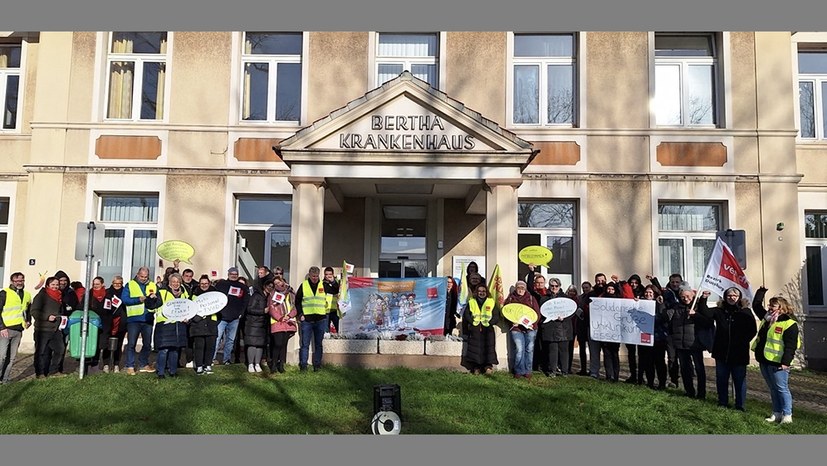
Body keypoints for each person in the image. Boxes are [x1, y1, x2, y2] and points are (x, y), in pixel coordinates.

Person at [696, 287, 758, 411]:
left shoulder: (744, 312)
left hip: (739, 353)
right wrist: (703, 298)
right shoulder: (719, 311)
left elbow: (752, 329)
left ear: (739, 298)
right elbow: (705, 312)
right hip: (721, 352)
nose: (732, 298)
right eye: (729, 295)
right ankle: (722, 402)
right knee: (722, 379)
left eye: (735, 296)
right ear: (725, 297)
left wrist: (742, 341)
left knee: (739, 381)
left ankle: (740, 405)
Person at [752, 287, 801, 424]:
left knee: (782, 389)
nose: (769, 308)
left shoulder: (789, 323)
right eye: (769, 305)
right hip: (764, 359)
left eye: (773, 306)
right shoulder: (767, 319)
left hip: (779, 363)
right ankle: (776, 413)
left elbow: (791, 346)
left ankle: (787, 415)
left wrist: (786, 362)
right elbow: (756, 305)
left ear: (782, 308)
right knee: (773, 389)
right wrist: (761, 292)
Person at [665, 286, 710, 399]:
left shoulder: (699, 306)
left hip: (695, 344)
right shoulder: (676, 307)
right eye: (683, 297)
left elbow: (708, 322)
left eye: (688, 296)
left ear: (693, 296)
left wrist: (696, 315)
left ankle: (701, 394)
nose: (686, 299)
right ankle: (689, 391)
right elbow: (666, 318)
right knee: (685, 370)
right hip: (681, 344)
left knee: (699, 369)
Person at [122, 266, 162, 375]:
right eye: (142, 276)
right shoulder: (130, 284)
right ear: (137, 274)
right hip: (134, 319)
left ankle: (143, 364)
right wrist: (138, 300)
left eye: (146, 277)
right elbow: (125, 300)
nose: (144, 278)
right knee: (131, 344)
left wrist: (154, 299)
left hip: (148, 318)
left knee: (147, 344)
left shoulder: (153, 285)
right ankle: (130, 365)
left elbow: (160, 301)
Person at [154, 273, 189, 378]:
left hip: (179, 325)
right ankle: (160, 372)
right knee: (164, 350)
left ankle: (173, 371)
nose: (175, 284)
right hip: (165, 325)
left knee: (175, 350)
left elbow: (188, 307)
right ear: (169, 282)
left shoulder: (184, 294)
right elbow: (153, 305)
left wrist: (187, 318)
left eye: (178, 282)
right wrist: (150, 299)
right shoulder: (162, 292)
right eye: (173, 281)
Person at [30, 277, 67, 378]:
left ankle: (54, 371)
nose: (55, 287)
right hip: (43, 329)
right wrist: (47, 317)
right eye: (53, 285)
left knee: (60, 349)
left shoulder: (59, 296)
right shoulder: (41, 296)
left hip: (56, 329)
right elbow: (34, 311)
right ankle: (40, 373)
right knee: (41, 352)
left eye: (57, 285)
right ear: (47, 285)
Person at [503, 280, 540, 379]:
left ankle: (527, 371)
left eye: (523, 288)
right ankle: (519, 370)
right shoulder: (511, 299)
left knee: (529, 349)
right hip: (516, 328)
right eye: (519, 288)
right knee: (519, 349)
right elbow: (505, 312)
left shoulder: (531, 298)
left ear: (526, 289)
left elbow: (537, 314)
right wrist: (511, 322)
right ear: (516, 288)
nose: (521, 290)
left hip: (530, 329)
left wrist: (533, 324)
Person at [0, 272, 32, 384]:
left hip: (19, 330)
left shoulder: (27, 295)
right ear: (12, 281)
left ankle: (5, 379)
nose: (20, 283)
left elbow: (28, 310)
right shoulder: (4, 293)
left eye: (22, 280)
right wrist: (1, 327)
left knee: (12, 358)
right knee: (2, 356)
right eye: (17, 281)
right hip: (5, 329)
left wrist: (28, 321)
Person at [213, 266, 249, 365]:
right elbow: (215, 297)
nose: (233, 276)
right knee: (217, 338)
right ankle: (212, 358)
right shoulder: (221, 284)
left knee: (230, 340)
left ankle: (227, 359)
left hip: (235, 318)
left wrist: (241, 313)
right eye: (232, 274)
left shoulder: (243, 287)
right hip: (222, 317)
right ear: (228, 274)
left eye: (235, 274)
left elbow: (245, 301)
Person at [295, 266, 328, 372]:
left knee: (318, 344)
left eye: (317, 276)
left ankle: (317, 365)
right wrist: (300, 314)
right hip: (307, 320)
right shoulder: (304, 285)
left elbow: (336, 289)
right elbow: (297, 301)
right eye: (313, 276)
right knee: (305, 344)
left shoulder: (323, 284)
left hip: (320, 319)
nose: (315, 278)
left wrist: (333, 281)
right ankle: (303, 365)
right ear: (309, 275)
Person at [461, 284, 499, 375]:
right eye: (480, 291)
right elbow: (466, 314)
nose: (481, 293)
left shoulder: (491, 301)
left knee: (488, 348)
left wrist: (491, 323)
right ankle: (476, 367)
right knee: (475, 348)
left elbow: (496, 315)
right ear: (476, 292)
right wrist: (471, 322)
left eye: (483, 291)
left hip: (488, 329)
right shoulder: (472, 302)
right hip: (475, 328)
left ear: (486, 292)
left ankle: (488, 367)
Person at [542, 281, 576, 377]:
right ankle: (552, 370)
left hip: (564, 328)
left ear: (560, 286)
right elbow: (542, 312)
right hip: (550, 328)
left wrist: (564, 317)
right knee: (552, 350)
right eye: (552, 286)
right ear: (549, 286)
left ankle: (564, 371)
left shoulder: (566, 298)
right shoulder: (544, 298)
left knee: (564, 351)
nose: (554, 287)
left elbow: (572, 312)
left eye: (556, 286)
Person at [268, 275, 297, 373]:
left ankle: (281, 365)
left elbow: (294, 306)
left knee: (284, 344)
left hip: (288, 321)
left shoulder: (291, 293)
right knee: (277, 343)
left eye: (279, 282)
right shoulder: (272, 295)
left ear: (283, 282)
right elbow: (271, 308)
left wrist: (289, 316)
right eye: (275, 284)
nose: (278, 285)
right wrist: (280, 317)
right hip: (278, 322)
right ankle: (273, 365)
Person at [245, 274, 274, 373]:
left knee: (260, 345)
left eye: (271, 287)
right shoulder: (256, 295)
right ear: (264, 286)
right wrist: (262, 311)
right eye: (268, 286)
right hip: (253, 324)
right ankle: (250, 364)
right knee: (252, 344)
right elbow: (249, 309)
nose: (270, 288)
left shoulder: (269, 297)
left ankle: (257, 363)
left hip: (263, 324)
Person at [191, 275, 218, 375]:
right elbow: (191, 310)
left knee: (210, 347)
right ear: (199, 284)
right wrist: (197, 319)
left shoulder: (215, 295)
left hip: (211, 324)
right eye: (202, 283)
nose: (204, 285)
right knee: (199, 347)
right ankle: (199, 366)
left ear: (209, 284)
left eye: (206, 283)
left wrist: (216, 321)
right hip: (198, 325)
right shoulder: (194, 294)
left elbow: (219, 309)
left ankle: (208, 365)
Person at [102, 276, 127, 373]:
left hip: (121, 321)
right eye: (115, 283)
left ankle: (116, 364)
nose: (117, 285)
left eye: (119, 283)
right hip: (109, 321)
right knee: (106, 343)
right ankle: (106, 364)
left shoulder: (125, 292)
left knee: (119, 343)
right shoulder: (107, 292)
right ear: (112, 283)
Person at [584, 273, 607, 379]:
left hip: (608, 328)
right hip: (593, 326)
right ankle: (594, 372)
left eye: (602, 280)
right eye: (598, 280)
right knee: (594, 351)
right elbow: (585, 308)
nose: (600, 282)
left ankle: (609, 373)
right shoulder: (591, 294)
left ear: (605, 280)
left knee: (607, 352)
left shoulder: (610, 292)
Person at [574, 281, 592, 376]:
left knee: (592, 349)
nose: (585, 289)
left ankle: (592, 369)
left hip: (590, 325)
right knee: (582, 349)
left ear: (590, 287)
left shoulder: (593, 297)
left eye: (587, 287)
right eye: (583, 287)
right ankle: (583, 368)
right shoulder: (579, 298)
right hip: (581, 325)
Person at [322, 266, 341, 333]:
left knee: (339, 329)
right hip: (326, 310)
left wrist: (333, 282)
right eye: (326, 274)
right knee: (325, 331)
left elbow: (338, 289)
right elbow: (329, 290)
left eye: (330, 274)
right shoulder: (322, 283)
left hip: (336, 310)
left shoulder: (337, 282)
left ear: (333, 274)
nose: (328, 276)